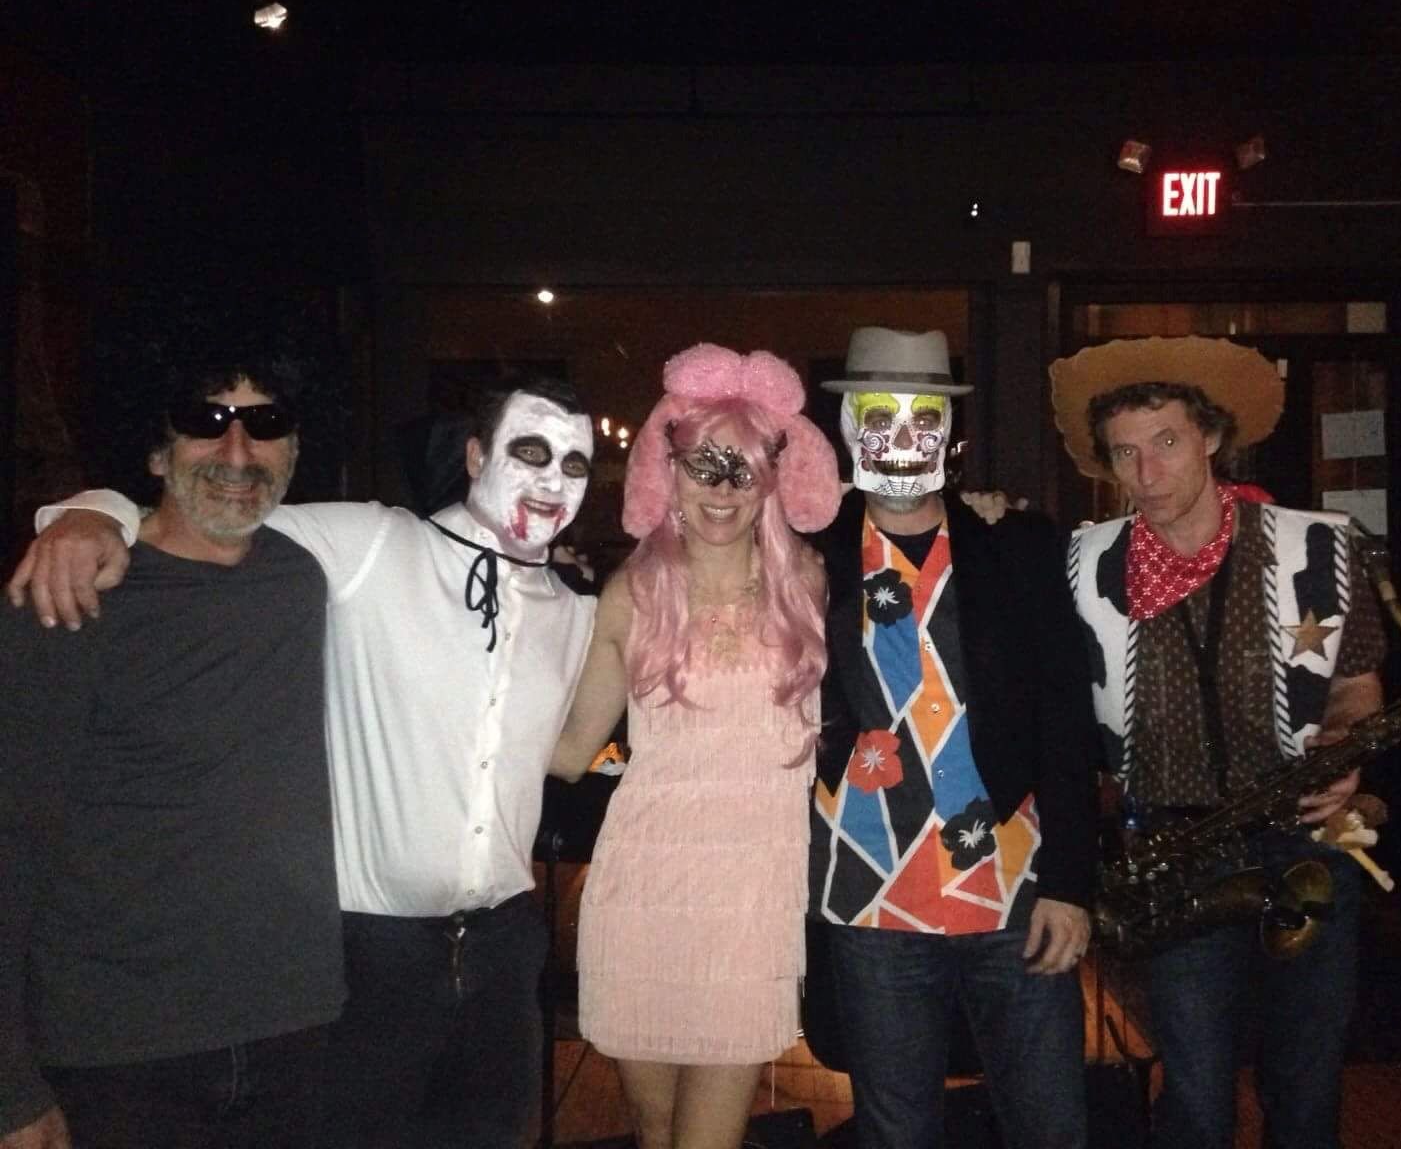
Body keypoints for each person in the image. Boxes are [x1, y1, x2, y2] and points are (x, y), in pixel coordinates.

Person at [7, 374, 599, 1148]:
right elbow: (211, 514)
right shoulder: (369, 545)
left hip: (498, 956)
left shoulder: (574, 611)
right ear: (476, 455)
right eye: (530, 451)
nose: (551, 480)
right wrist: (90, 513)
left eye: (576, 464)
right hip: (360, 960)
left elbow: (571, 753)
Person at [1047, 334, 1388, 1149]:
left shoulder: (1320, 545)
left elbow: (1358, 688)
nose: (1147, 473)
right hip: (1176, 855)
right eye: (1125, 453)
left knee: (1306, 1089)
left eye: (1166, 441)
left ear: (1210, 436)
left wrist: (1344, 753)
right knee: (1196, 1101)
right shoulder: (1082, 564)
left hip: (1306, 842)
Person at [0, 353, 344, 1149]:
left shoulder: (302, 578)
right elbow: (9, 834)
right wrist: (9, 1083)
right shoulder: (70, 597)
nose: (237, 452)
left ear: (294, 450)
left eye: (264, 424)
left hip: (295, 1030)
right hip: (116, 1049)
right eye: (205, 422)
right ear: (156, 452)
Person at [807, 327, 1098, 1149]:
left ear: (951, 433)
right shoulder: (808, 556)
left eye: (923, 419)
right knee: (896, 1133)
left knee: (1051, 1127)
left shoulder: (1016, 547)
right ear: (848, 429)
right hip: (871, 894)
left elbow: (1065, 720)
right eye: (881, 419)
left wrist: (1071, 884)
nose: (903, 440)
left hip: (1013, 890)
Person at [549, 343, 840, 1149]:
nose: (722, 488)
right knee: (654, 1132)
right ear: (667, 469)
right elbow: (569, 750)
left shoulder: (811, 583)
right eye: (703, 465)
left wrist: (983, 522)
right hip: (644, 894)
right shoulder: (631, 593)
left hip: (751, 905)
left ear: (772, 479)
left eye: (743, 469)